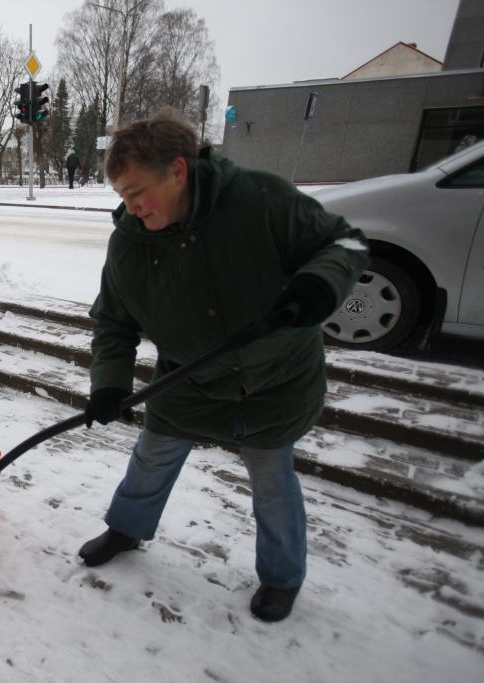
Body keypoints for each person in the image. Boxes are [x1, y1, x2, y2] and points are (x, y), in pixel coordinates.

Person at [79, 107, 368, 622]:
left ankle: (282, 578)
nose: (131, 206)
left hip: (273, 377)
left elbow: (345, 242)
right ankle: (126, 528)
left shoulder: (259, 199)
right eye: (122, 195)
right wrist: (109, 384)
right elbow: (114, 323)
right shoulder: (129, 243)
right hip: (187, 376)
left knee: (272, 478)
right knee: (152, 456)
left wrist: (319, 284)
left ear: (178, 171)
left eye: (136, 191)